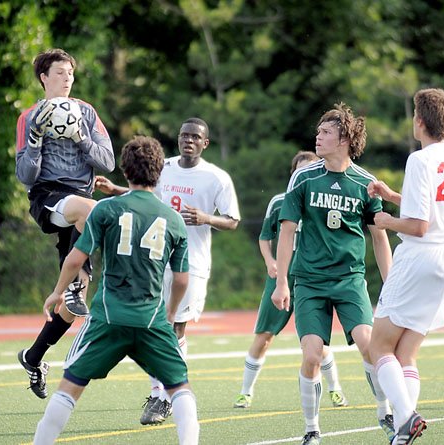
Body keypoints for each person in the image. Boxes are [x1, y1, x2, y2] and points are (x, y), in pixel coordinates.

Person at [32, 135, 199, 445]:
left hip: (108, 316)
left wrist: (58, 292)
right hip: (151, 319)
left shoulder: (106, 209)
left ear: (124, 170)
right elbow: (181, 279)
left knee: (70, 386)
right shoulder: (173, 219)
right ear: (159, 172)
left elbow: (75, 258)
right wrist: (171, 313)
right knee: (180, 389)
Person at [96, 117, 240, 425]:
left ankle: (166, 396)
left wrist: (206, 218)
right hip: (155, 259)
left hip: (192, 263)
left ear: (205, 143)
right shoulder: (165, 168)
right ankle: (159, 393)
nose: (188, 140)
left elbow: (233, 220)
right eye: (184, 135)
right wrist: (114, 190)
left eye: (195, 137)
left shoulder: (216, 177)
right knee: (151, 327)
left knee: (175, 327)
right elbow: (146, 195)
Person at [271, 103, 393, 445]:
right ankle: (311, 429)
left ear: (345, 139)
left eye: (325, 132)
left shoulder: (365, 183)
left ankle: (384, 411)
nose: (318, 137)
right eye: (319, 131)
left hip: (350, 279)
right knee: (312, 355)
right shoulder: (303, 177)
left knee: (370, 346)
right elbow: (286, 230)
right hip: (309, 281)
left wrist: (392, 285)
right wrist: (282, 282)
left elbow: (379, 236)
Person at [368, 88, 444, 445]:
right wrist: (395, 196)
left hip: (421, 257)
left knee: (379, 346)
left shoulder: (419, 160)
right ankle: (402, 434)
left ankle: (407, 418)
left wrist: (385, 220)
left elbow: (419, 226)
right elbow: (435, 207)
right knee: (405, 352)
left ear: (420, 121)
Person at [15, 48, 115, 399]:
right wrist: (35, 141)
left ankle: (33, 356)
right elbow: (24, 175)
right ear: (44, 77)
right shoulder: (29, 116)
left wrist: (79, 137)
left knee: (72, 309)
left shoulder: (87, 112)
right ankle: (71, 286)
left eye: (70, 72)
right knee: (92, 209)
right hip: (48, 198)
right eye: (59, 72)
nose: (67, 78)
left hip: (79, 209)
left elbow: (109, 161)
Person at [234, 151, 348, 410]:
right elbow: (265, 236)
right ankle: (245, 391)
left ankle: (335, 388)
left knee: (317, 343)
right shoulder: (279, 202)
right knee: (264, 336)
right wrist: (270, 261)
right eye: (301, 170)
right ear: (293, 174)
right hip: (281, 279)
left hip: (312, 279)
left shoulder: (324, 200)